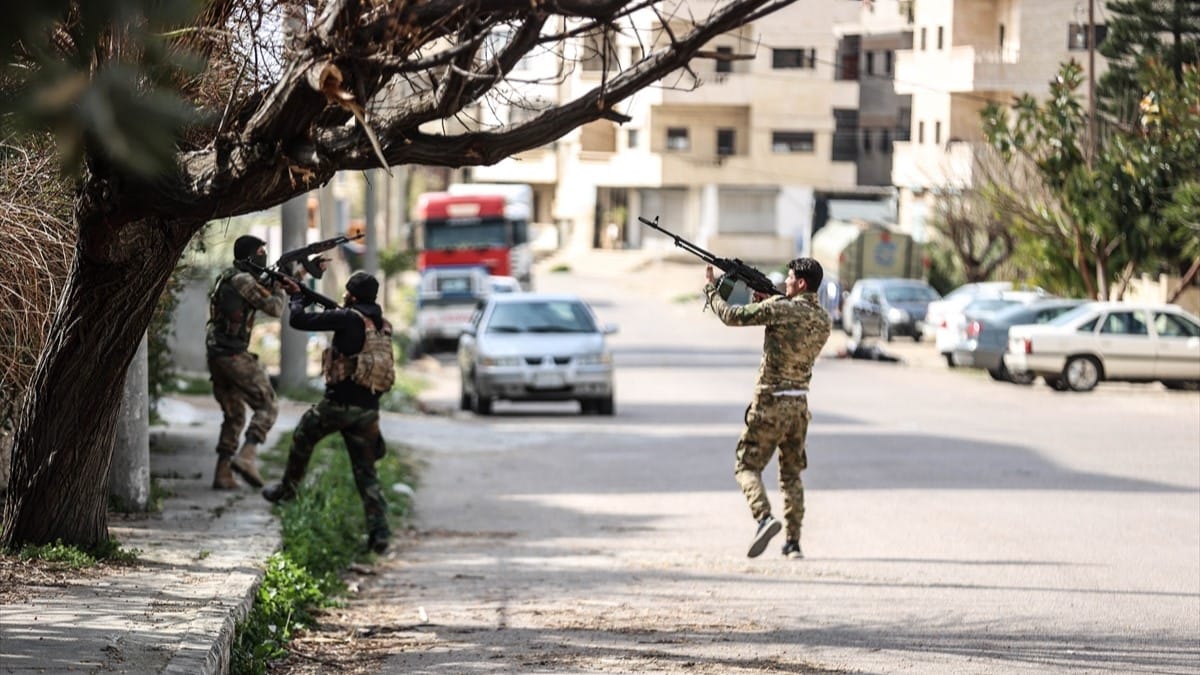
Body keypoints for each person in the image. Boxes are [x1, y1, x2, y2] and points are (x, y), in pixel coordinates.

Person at [703, 258, 832, 559]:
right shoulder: (824, 320)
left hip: (771, 402)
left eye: (789, 278)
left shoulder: (781, 309)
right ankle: (793, 542)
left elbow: (731, 316)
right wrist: (771, 301)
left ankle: (763, 518)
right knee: (791, 474)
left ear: (801, 284)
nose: (785, 282)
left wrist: (711, 289)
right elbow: (794, 325)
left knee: (746, 465)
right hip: (799, 404)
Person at [263, 271, 395, 554]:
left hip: (338, 405)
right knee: (366, 473)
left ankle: (287, 490)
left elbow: (298, 320)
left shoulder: (348, 318)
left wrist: (296, 297)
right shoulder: (382, 324)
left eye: (347, 292)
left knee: (303, 435)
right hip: (369, 411)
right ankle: (379, 533)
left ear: (353, 296)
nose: (344, 296)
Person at [206, 235, 288, 490]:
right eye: (260, 251)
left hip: (217, 353)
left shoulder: (229, 276)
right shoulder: (243, 280)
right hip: (233, 355)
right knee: (268, 406)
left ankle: (222, 474)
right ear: (250, 255)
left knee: (235, 414)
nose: (264, 255)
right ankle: (247, 456)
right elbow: (275, 308)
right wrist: (282, 285)